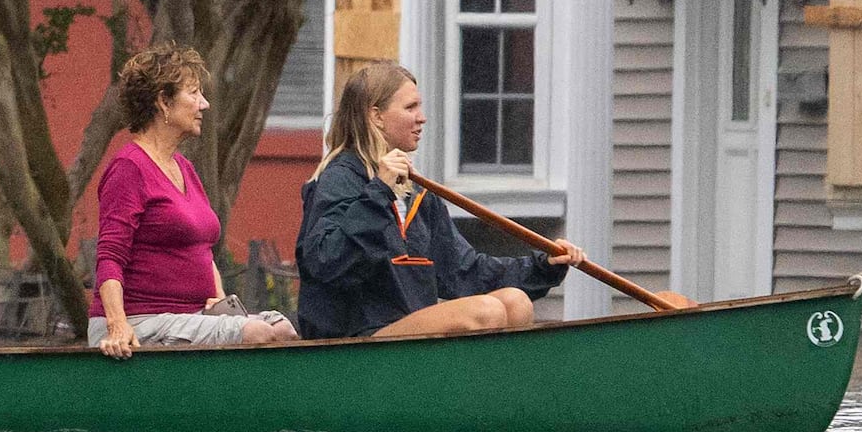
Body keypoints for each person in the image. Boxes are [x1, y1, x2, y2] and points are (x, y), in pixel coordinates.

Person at [293, 63, 561, 343]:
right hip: (353, 341)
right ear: (376, 116)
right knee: (486, 311)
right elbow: (326, 263)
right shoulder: (339, 178)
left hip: (407, 334)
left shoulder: (416, 192)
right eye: (410, 108)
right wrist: (378, 194)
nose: (422, 118)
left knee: (516, 303)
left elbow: (464, 272)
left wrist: (545, 266)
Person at [80, 45, 301, 358]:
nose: (205, 104)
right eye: (194, 93)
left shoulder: (183, 167)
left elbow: (201, 247)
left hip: (190, 316)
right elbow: (110, 256)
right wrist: (117, 325)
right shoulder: (129, 167)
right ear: (163, 101)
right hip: (140, 321)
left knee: (282, 329)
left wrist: (220, 300)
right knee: (257, 334)